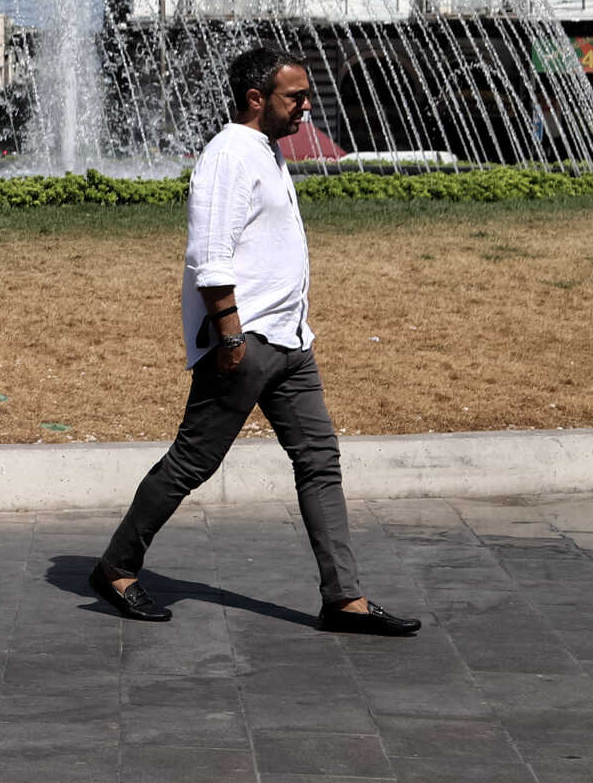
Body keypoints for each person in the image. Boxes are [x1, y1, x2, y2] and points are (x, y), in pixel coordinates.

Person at [88, 46, 420, 637]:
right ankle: (116, 567)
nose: (305, 105)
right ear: (255, 99)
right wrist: (231, 338)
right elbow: (209, 257)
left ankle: (343, 598)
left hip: (291, 342)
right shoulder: (227, 155)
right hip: (246, 341)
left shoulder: (266, 151)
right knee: (193, 461)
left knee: (320, 460)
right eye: (295, 96)